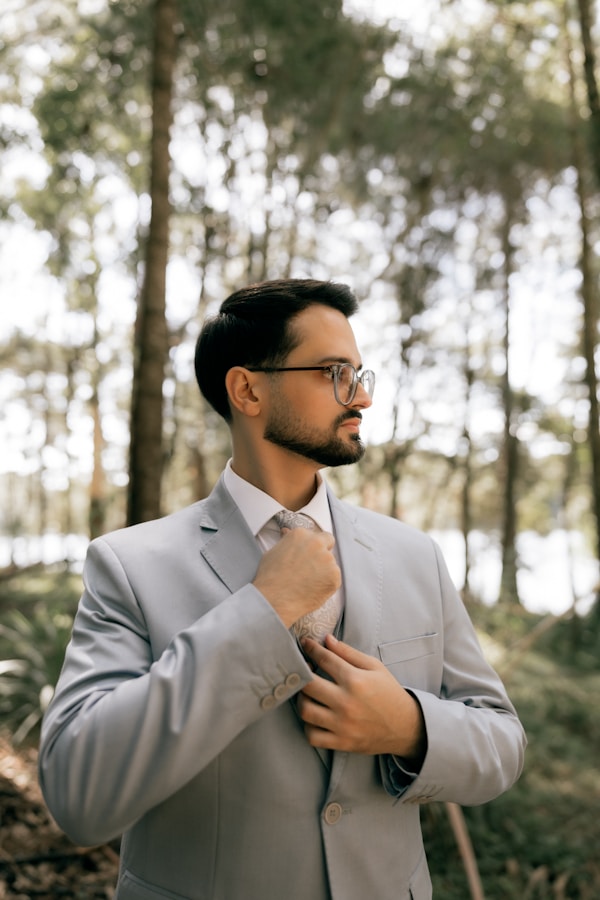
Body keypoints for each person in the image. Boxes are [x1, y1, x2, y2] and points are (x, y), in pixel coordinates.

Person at [39, 278, 526, 900]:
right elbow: (79, 793)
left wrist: (410, 727)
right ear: (247, 389)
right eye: (332, 373)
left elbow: (503, 744)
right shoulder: (128, 566)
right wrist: (261, 614)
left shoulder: (415, 556)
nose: (361, 399)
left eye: (359, 374)